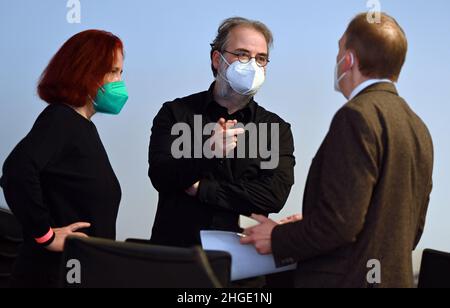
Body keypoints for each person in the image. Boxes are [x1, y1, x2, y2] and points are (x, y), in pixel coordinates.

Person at [241, 13, 434, 288]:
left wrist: (276, 237)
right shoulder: (419, 128)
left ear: (350, 60)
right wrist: (313, 221)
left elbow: (339, 225)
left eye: (340, 48)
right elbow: (408, 229)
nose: (337, 59)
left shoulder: (356, 116)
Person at [148, 17, 295, 248]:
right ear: (218, 59)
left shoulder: (276, 129)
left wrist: (201, 188)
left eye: (261, 58)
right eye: (243, 54)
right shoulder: (176, 113)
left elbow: (273, 196)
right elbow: (161, 175)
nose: (252, 64)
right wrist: (207, 151)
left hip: (245, 267)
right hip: (177, 258)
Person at [0, 30, 129, 288]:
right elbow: (16, 172)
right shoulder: (61, 119)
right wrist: (45, 236)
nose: (119, 81)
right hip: (53, 274)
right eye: (112, 71)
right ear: (86, 72)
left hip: (79, 271)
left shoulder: (81, 126)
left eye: (121, 73)